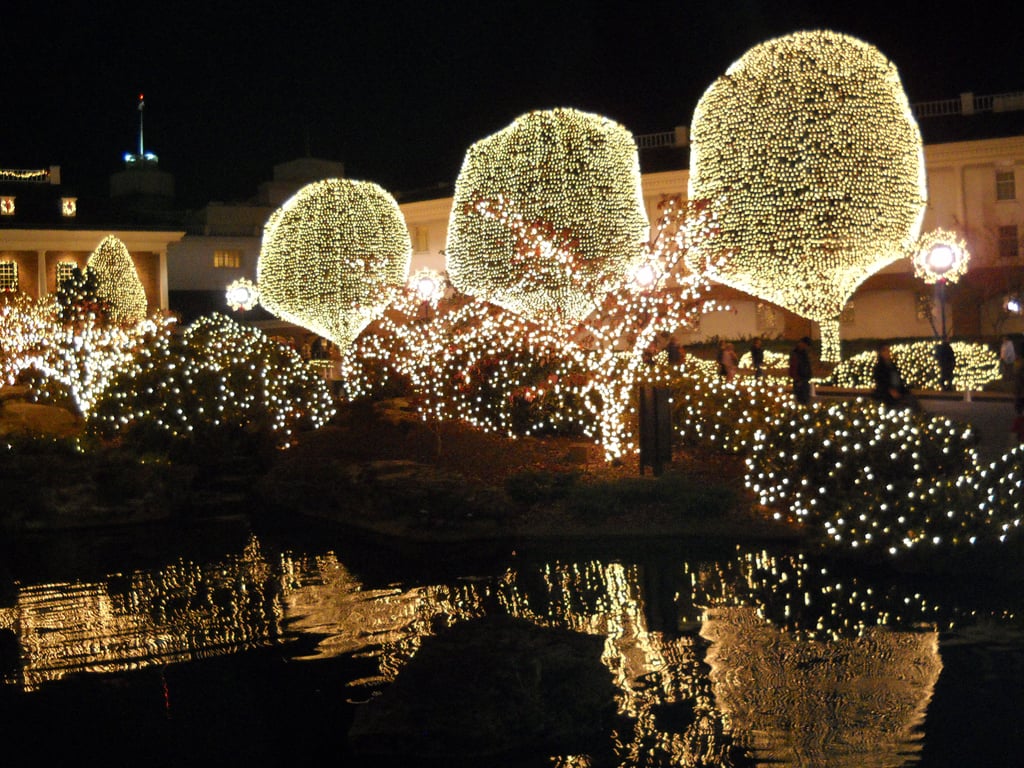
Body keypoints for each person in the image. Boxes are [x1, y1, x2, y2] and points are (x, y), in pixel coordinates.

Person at [872, 343, 917, 410]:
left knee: (911, 400)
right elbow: (881, 382)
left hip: (897, 390)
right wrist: (890, 390)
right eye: (886, 351)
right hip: (886, 394)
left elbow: (898, 379)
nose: (889, 353)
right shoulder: (879, 367)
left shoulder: (892, 365)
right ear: (881, 353)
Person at [788, 337, 813, 404]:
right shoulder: (795, 354)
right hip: (799, 380)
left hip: (804, 379)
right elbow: (793, 368)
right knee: (800, 399)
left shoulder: (804, 353)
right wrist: (797, 379)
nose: (806, 347)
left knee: (805, 399)